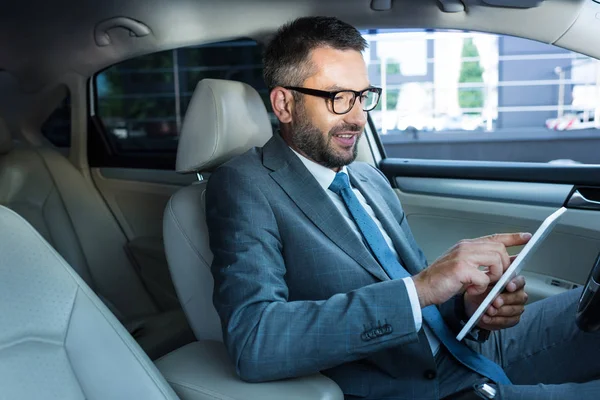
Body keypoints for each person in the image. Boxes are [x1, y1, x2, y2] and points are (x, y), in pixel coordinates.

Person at [206, 16, 600, 400]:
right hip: (413, 384)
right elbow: (255, 341)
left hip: (469, 349)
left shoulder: (369, 180)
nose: (358, 117)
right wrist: (421, 287)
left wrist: (469, 308)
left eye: (363, 97)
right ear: (284, 104)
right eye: (338, 97)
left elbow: (421, 300)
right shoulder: (246, 185)